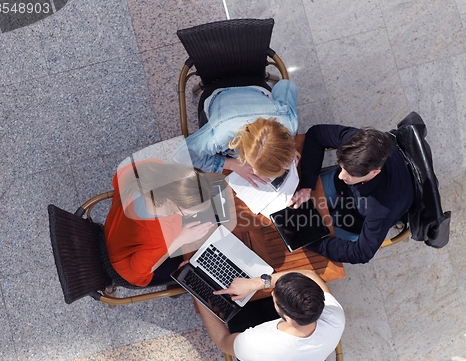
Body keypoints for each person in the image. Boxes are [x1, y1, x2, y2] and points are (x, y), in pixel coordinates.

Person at [194, 269, 345, 361]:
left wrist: (197, 293)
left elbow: (222, 340)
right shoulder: (335, 317)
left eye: (275, 297)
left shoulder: (256, 342)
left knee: (240, 304)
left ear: (289, 318)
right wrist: (256, 283)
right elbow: (309, 275)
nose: (273, 292)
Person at [288, 125, 413, 264]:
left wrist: (311, 242)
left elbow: (361, 253)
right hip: (348, 190)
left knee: (308, 243)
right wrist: (307, 185)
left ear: (374, 172)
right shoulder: (357, 141)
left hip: (360, 217)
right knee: (294, 201)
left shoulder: (382, 209)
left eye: (350, 173)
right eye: (342, 167)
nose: (341, 176)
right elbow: (316, 134)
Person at [103, 159, 214, 287]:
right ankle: (176, 285)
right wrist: (180, 240)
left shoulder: (152, 166)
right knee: (193, 267)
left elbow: (118, 178)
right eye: (189, 212)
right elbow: (136, 275)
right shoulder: (159, 237)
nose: (194, 215)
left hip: (115, 229)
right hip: (121, 267)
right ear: (170, 199)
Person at [171, 80, 300, 187]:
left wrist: (287, 146)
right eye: (252, 165)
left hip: (253, 88)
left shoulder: (289, 123)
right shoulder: (220, 135)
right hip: (217, 93)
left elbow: (286, 84)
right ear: (243, 151)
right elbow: (178, 157)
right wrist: (230, 164)